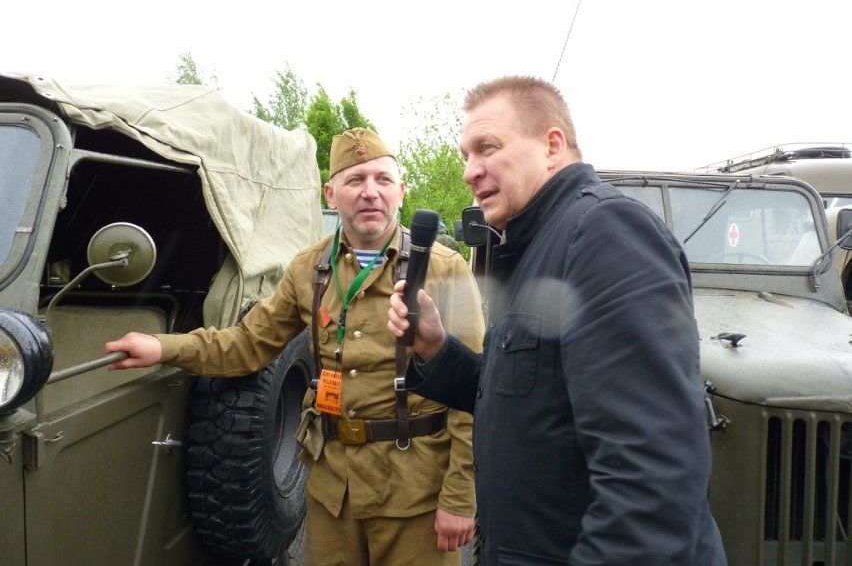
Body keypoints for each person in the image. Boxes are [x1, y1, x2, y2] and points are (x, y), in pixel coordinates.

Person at [387, 76, 728, 565]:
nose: (468, 170)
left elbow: (651, 478)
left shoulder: (604, 233)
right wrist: (436, 349)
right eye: (465, 154)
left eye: (487, 147)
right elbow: (530, 398)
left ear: (552, 146)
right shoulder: (537, 245)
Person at [105, 128, 485, 565]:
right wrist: (162, 346)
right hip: (332, 490)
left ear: (401, 190)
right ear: (331, 192)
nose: (369, 193)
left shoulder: (443, 269)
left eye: (382, 180)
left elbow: (471, 391)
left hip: (414, 491)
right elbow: (248, 344)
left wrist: (460, 498)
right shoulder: (310, 268)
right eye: (354, 180)